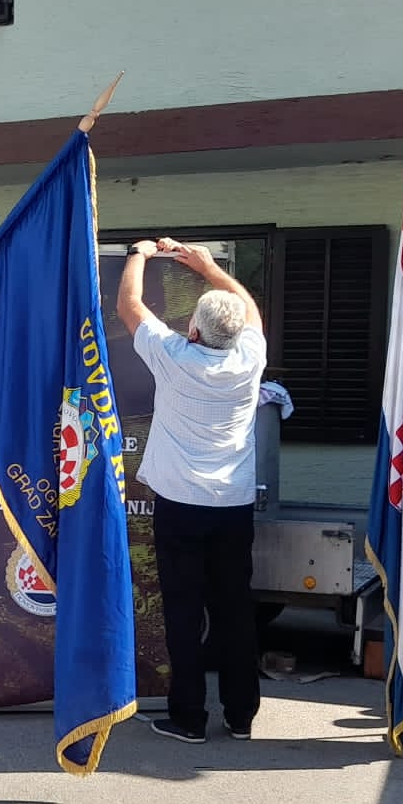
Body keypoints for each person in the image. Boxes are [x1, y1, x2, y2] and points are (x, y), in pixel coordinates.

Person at [116, 239, 266, 744]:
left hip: (181, 506)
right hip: (234, 506)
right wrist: (208, 267)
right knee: (234, 609)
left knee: (182, 610)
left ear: (193, 329)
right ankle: (241, 716)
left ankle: (188, 718)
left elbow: (129, 306)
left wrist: (138, 253)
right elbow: (250, 311)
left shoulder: (174, 355)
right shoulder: (250, 356)